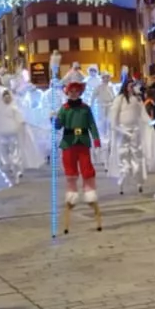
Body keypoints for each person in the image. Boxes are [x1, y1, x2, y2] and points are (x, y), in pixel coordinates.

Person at [56, 81, 102, 215]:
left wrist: (96, 139)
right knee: (70, 169)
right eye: (71, 92)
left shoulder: (85, 108)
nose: (74, 94)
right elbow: (58, 126)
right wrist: (56, 122)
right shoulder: (64, 109)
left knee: (86, 167)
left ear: (80, 93)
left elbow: (92, 125)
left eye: (76, 92)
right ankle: (72, 193)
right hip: (68, 142)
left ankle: (89, 192)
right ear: (68, 93)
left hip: (83, 141)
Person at [110, 80, 155, 194]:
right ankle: (122, 181)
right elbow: (113, 117)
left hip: (135, 130)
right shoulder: (119, 99)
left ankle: (139, 182)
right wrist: (117, 128)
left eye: (133, 86)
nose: (132, 88)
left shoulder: (137, 99)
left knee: (137, 155)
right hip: (123, 130)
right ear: (126, 87)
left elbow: (143, 114)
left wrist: (149, 123)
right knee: (123, 155)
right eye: (130, 86)